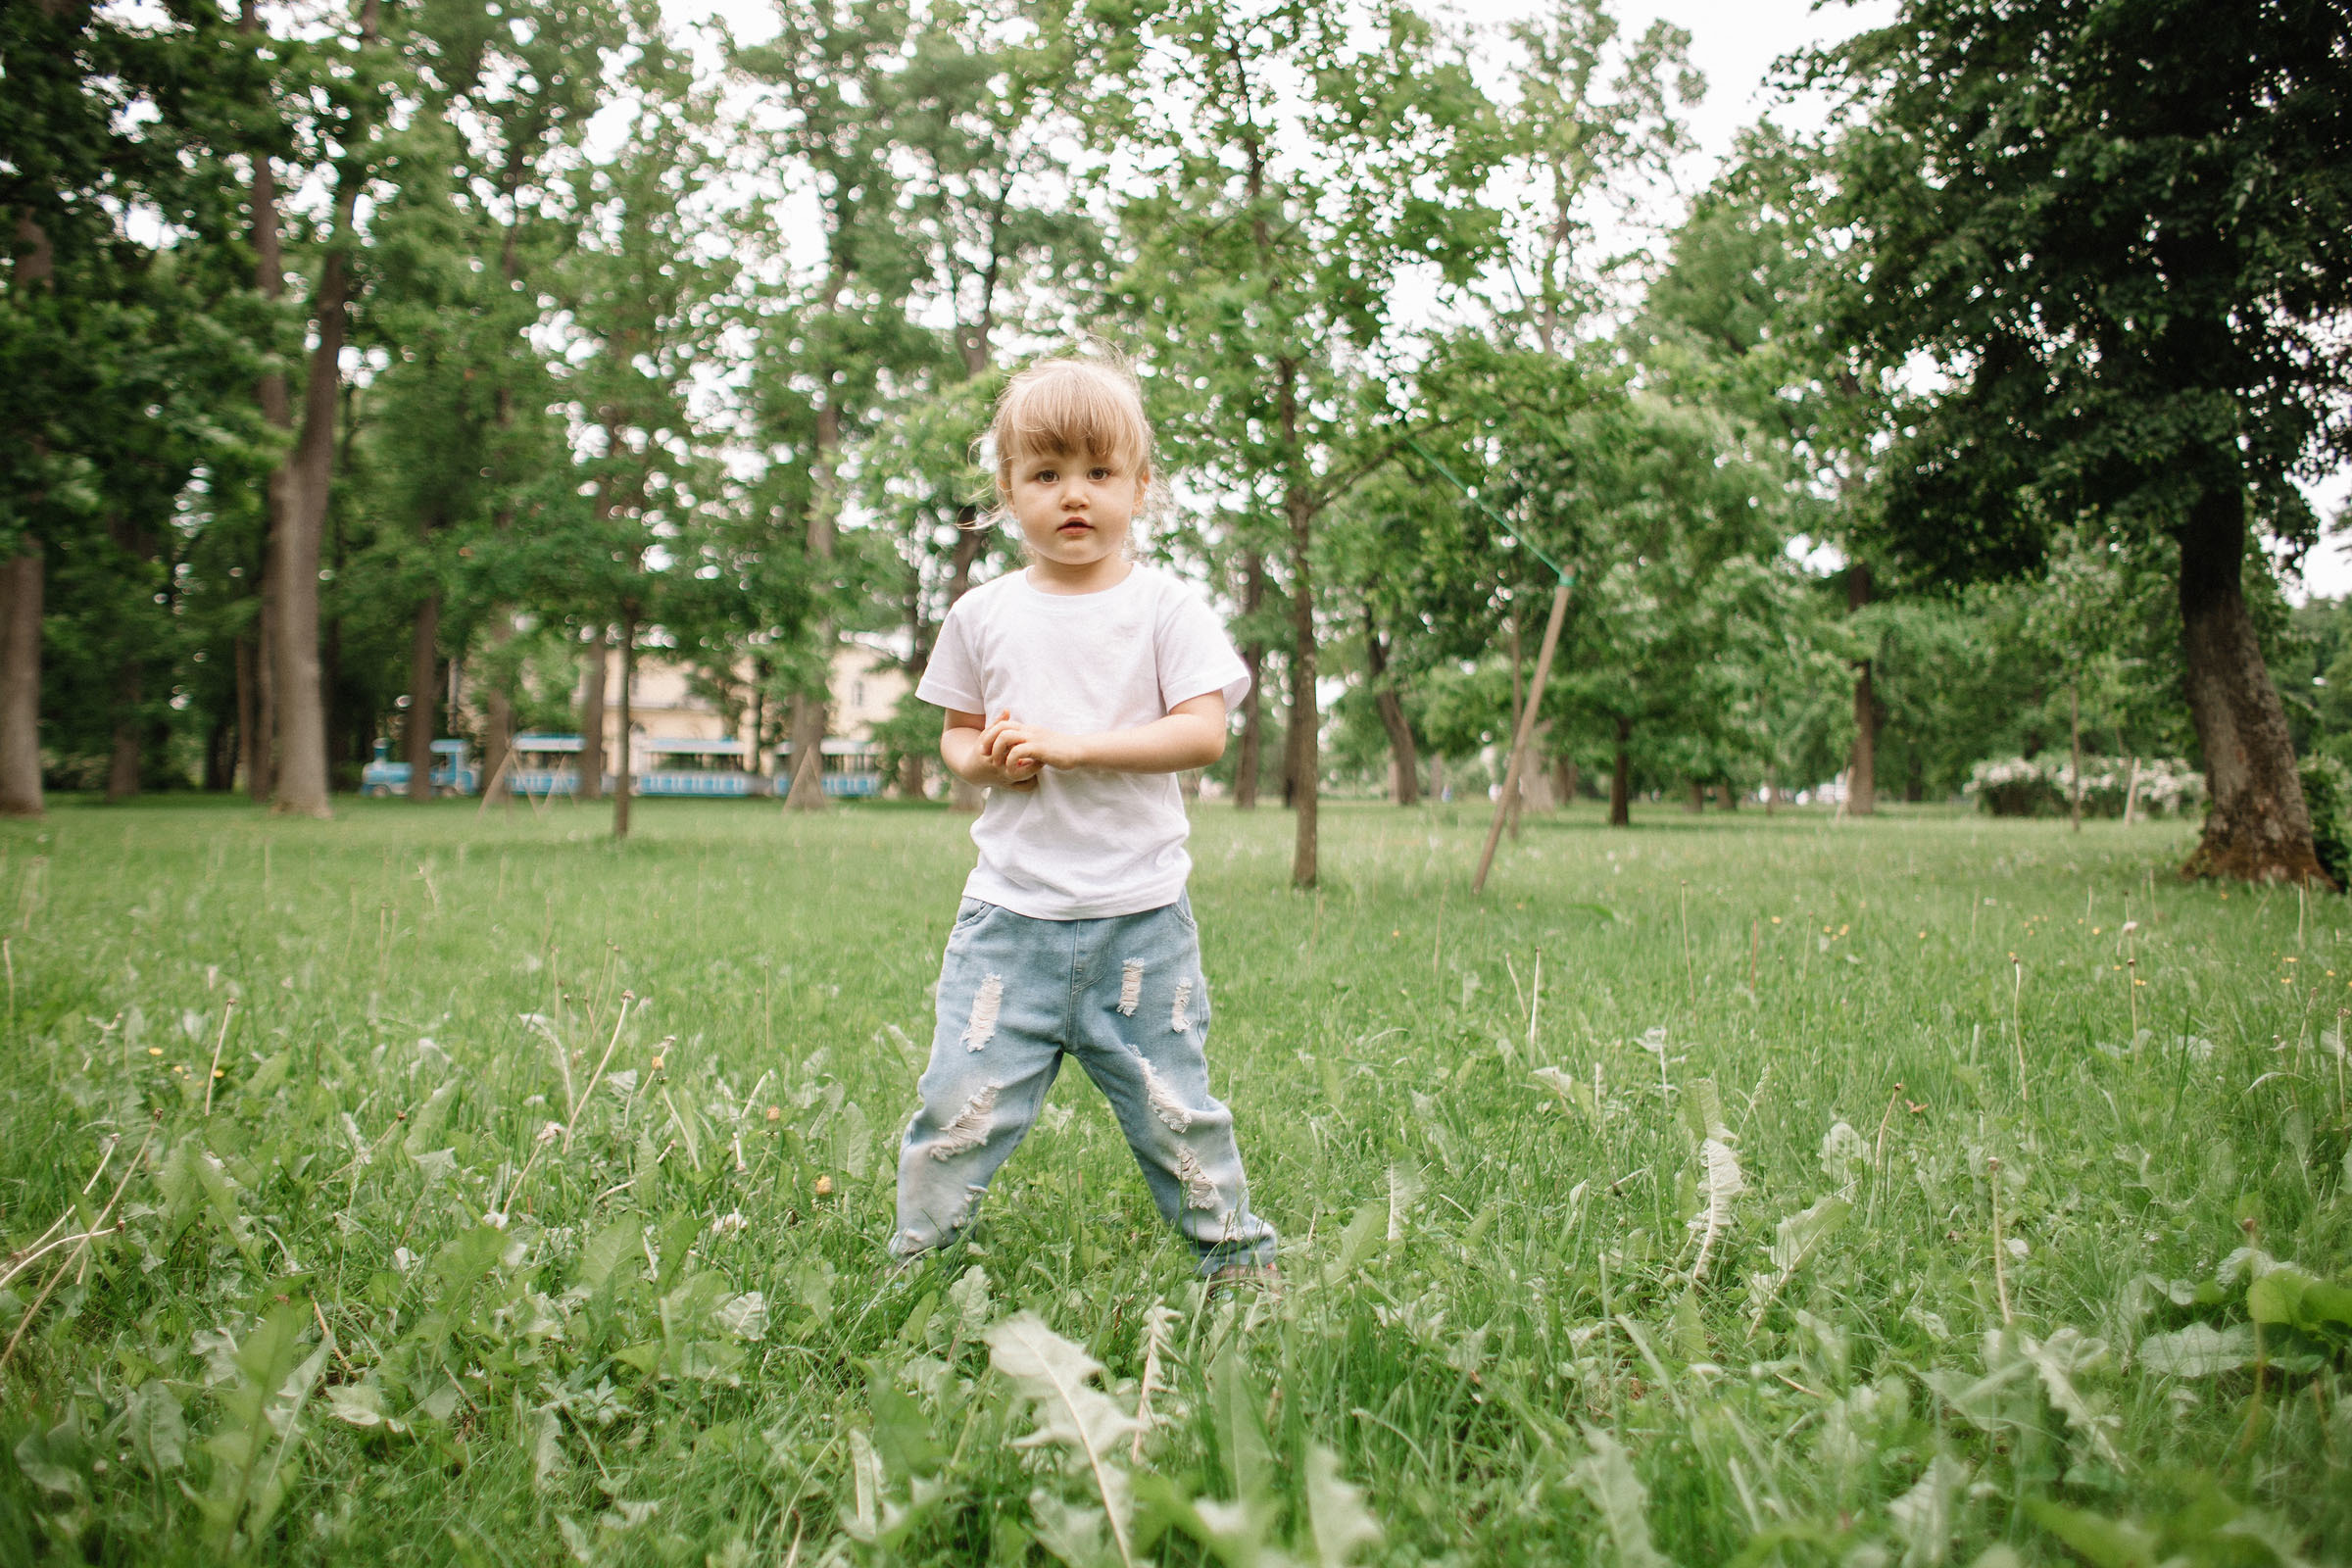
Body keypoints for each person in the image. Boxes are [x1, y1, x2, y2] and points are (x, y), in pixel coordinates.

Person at [893, 356, 1278, 1286]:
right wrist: (987, 761)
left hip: (1140, 925)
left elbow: (1202, 733)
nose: (1075, 494)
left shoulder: (1165, 609)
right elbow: (956, 737)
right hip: (1008, 920)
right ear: (1008, 492)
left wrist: (1073, 746)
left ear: (1140, 488)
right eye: (1046, 473)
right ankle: (917, 1263)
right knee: (957, 1103)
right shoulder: (982, 614)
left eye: (1099, 472)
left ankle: (1234, 1262)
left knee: (1175, 1109)